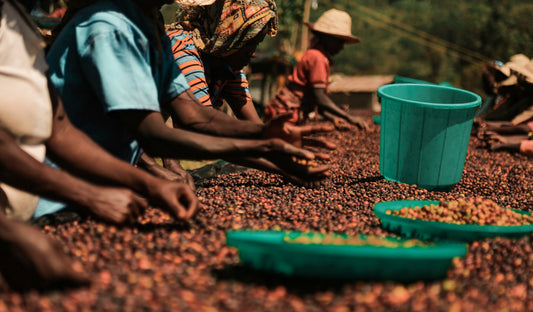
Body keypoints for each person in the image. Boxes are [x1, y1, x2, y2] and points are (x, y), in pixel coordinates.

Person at [39, 0, 332, 219]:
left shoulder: (150, 30)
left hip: (108, 184)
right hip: (60, 192)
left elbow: (194, 114)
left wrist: (266, 133)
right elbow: (150, 132)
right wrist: (269, 147)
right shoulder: (111, 27)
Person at [0, 0, 198, 290]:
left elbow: (60, 131)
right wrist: (87, 195)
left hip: (21, 221)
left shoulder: (20, 22)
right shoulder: (104, 29)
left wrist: (150, 184)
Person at [139, 0, 335, 184]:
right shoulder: (183, 48)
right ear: (231, 37)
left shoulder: (229, 66)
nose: (255, 52)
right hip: (125, 139)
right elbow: (202, 128)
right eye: (250, 43)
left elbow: (253, 126)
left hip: (148, 138)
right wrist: (282, 165)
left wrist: (280, 147)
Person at [264, 9, 369, 130]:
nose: (341, 47)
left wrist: (333, 118)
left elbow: (314, 100)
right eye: (339, 41)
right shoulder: (318, 57)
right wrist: (349, 117)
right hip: (285, 114)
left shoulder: (316, 55)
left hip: (287, 112)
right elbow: (320, 98)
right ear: (327, 37)